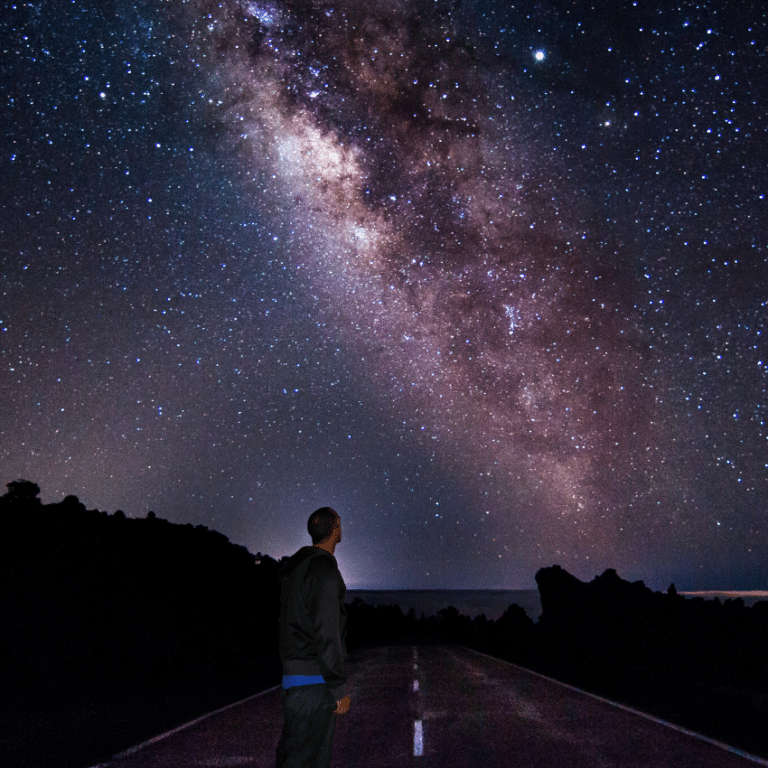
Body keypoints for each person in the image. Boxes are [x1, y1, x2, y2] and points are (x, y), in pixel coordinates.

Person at [276, 507, 351, 768]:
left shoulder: (294, 570)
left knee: (294, 753)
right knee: (310, 759)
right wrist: (338, 688)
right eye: (339, 524)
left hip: (293, 678)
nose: (341, 528)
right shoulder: (323, 571)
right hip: (314, 683)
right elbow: (327, 632)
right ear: (335, 530)